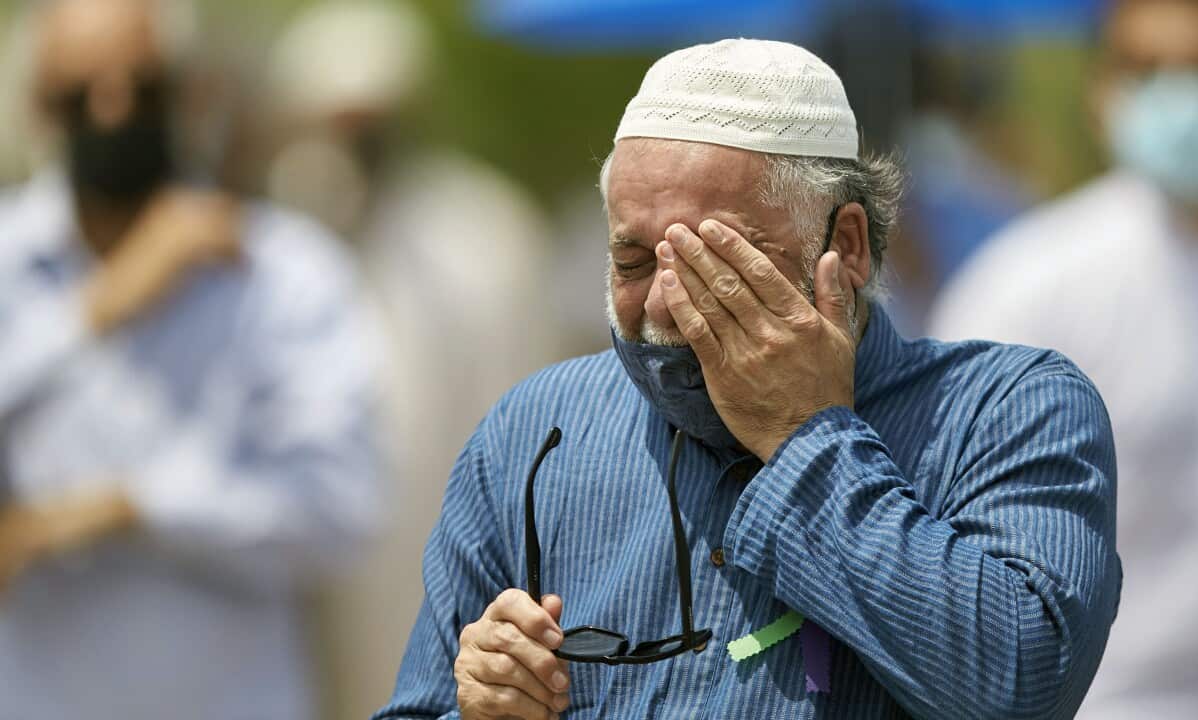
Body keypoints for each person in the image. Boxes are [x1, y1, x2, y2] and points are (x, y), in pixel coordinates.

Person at [375, 39, 1121, 719]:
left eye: (718, 261)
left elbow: (1022, 689)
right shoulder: (537, 432)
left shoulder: (1009, 410)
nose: (668, 303)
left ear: (848, 245)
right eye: (634, 263)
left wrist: (806, 439)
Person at [0, 1, 382, 718]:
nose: (113, 117)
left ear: (188, 91)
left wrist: (132, 508)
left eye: (140, 90)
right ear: (38, 108)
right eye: (80, 97)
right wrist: (90, 314)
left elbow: (339, 512)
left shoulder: (281, 273)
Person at [929, 0, 1198, 717]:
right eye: (1149, 71)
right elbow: (945, 532)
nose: (1186, 100)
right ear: (1102, 93)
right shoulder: (1026, 287)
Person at [262, 3, 559, 716]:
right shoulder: (290, 237)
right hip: (332, 582)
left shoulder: (484, 228)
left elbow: (535, 412)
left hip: (468, 561)